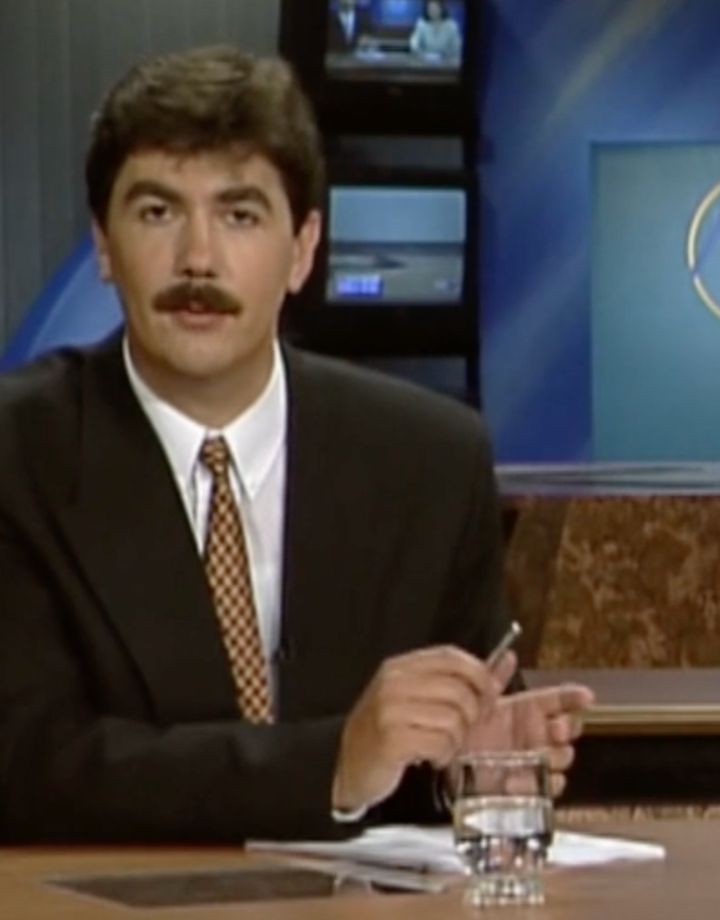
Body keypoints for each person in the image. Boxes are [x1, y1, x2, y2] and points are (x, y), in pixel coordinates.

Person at [0, 46, 593, 843]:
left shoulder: (428, 461)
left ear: (304, 249)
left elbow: (429, 756)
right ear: (104, 244)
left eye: (240, 215)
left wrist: (466, 766)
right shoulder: (20, 454)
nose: (198, 259)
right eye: (158, 213)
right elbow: (30, 764)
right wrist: (330, 765)